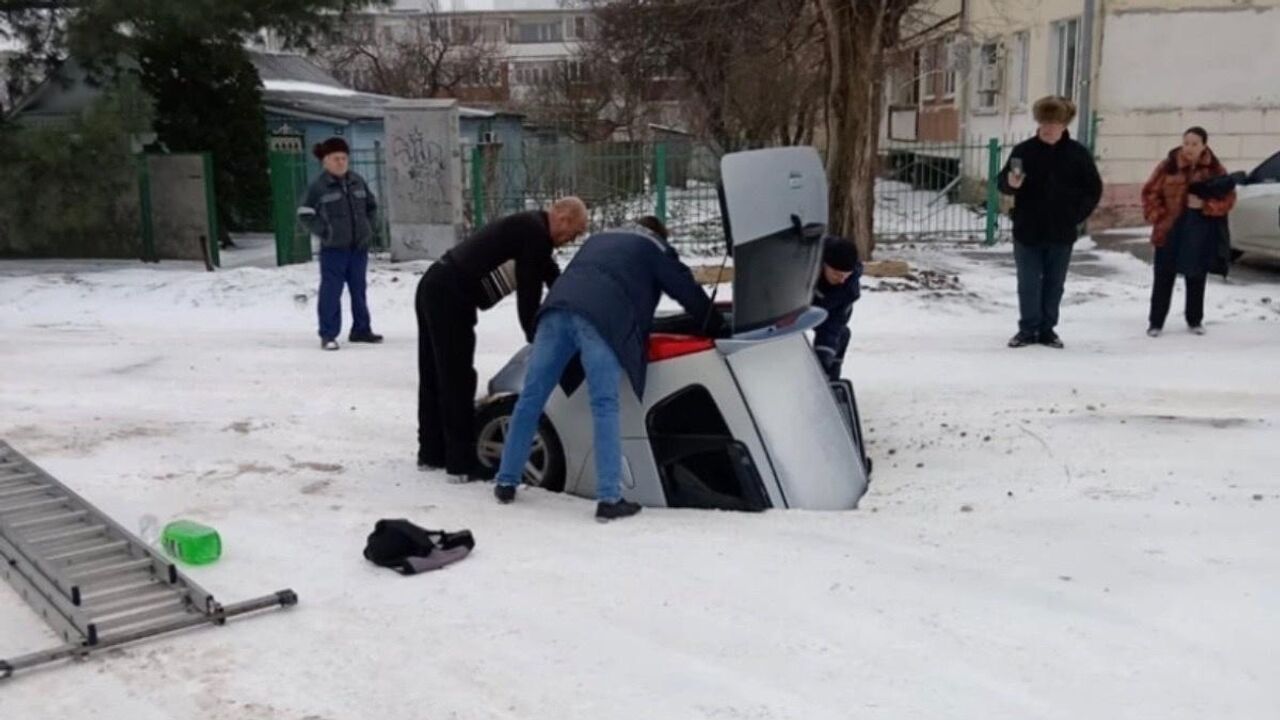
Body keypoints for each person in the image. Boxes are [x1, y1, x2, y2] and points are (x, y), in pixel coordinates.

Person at [492, 216, 725, 522]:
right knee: (604, 405)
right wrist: (717, 324)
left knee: (531, 399)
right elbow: (685, 290)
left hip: (556, 311)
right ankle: (609, 499)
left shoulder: (598, 240)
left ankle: (506, 480)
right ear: (660, 235)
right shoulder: (655, 247)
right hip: (602, 321)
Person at [416, 199, 589, 482]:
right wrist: (538, 339)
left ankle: (431, 451)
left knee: (435, 372)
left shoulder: (533, 226)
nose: (573, 239)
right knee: (456, 375)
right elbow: (529, 292)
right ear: (563, 218)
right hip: (449, 293)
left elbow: (550, 274)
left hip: (435, 282)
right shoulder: (535, 233)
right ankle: (460, 463)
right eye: (576, 231)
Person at [998, 96, 1103, 349]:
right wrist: (1010, 185)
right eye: (1044, 122)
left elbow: (1093, 189)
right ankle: (1027, 329)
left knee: (1055, 284)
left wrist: (1075, 217)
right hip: (1028, 229)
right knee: (1028, 283)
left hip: (1061, 231)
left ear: (1064, 124)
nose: (1048, 128)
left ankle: (1047, 330)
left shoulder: (1078, 154)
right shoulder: (1024, 151)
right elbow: (1002, 181)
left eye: (1054, 122)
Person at [1140, 127, 1236, 337]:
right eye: (1186, 143)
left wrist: (1205, 205)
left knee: (1196, 275)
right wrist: (1159, 215)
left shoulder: (1214, 169)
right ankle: (1156, 322)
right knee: (1163, 276)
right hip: (1170, 229)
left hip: (1199, 229)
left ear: (1204, 145)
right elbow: (1149, 193)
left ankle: (1194, 319)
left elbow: (1229, 199)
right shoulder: (1169, 165)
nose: (1189, 148)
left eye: (1194, 144)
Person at [297, 137, 383, 351]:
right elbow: (305, 214)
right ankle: (328, 334)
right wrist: (326, 232)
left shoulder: (357, 181)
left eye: (344, 158)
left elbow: (372, 207)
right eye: (336, 158)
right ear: (325, 161)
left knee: (359, 289)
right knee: (331, 292)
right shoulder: (318, 187)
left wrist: (368, 227)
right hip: (334, 249)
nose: (341, 162)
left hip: (358, 248)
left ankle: (361, 329)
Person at [811, 237, 863, 381]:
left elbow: (834, 324)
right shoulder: (805, 269)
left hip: (826, 311)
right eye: (837, 274)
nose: (841, 280)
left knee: (837, 337)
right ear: (824, 265)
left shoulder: (849, 289)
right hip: (797, 305)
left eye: (846, 275)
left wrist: (824, 356)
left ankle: (830, 378)